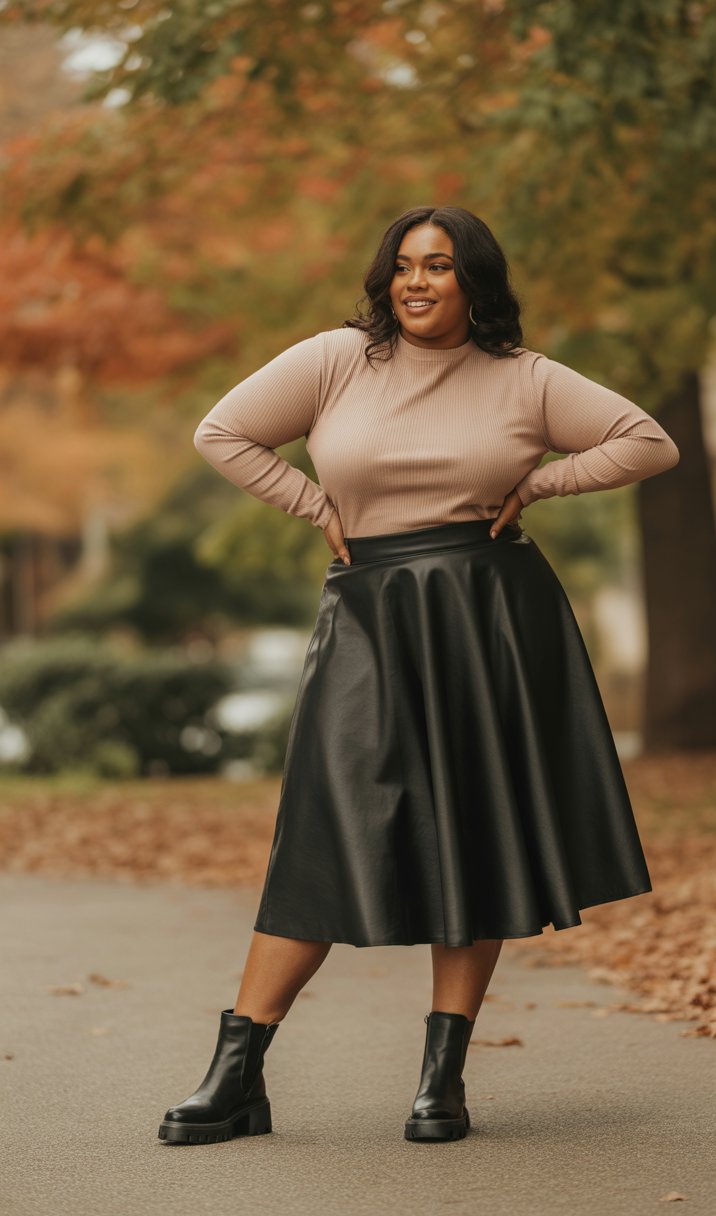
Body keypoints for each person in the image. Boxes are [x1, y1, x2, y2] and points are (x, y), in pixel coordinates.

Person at [157, 204, 680, 1147]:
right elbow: (222, 433)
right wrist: (313, 504)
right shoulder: (335, 361)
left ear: (475, 280)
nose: (417, 282)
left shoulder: (526, 380)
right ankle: (238, 1072)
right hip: (370, 611)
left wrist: (542, 483)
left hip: (489, 615)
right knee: (324, 828)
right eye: (403, 265)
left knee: (473, 834)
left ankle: (442, 1080)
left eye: (439, 266)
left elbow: (648, 440)